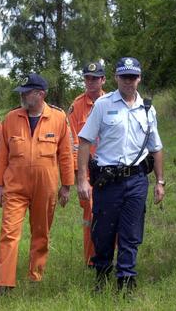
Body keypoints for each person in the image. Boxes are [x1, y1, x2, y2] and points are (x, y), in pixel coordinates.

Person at [76, 57, 165, 293]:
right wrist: (82, 179)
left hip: (137, 180)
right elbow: (84, 140)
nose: (128, 81)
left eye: (133, 77)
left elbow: (156, 147)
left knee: (131, 231)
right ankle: (102, 273)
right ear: (116, 77)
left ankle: (126, 278)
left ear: (139, 78)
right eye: (124, 76)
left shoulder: (148, 109)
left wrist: (160, 182)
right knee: (103, 231)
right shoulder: (103, 105)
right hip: (108, 181)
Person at [0, 74, 74, 295]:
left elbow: (66, 154)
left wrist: (67, 185)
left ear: (40, 94)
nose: (23, 95)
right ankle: (4, 283)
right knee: (9, 232)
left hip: (45, 187)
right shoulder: (10, 118)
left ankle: (35, 275)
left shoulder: (58, 118)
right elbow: (1, 155)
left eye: (27, 92)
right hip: (15, 186)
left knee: (41, 232)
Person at [68, 61, 106, 267]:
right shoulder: (77, 106)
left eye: (95, 78)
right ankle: (92, 260)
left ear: (103, 80)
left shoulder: (111, 101)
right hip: (87, 169)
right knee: (91, 213)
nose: (90, 82)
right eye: (87, 78)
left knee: (111, 212)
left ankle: (109, 255)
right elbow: (72, 141)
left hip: (109, 168)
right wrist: (78, 174)